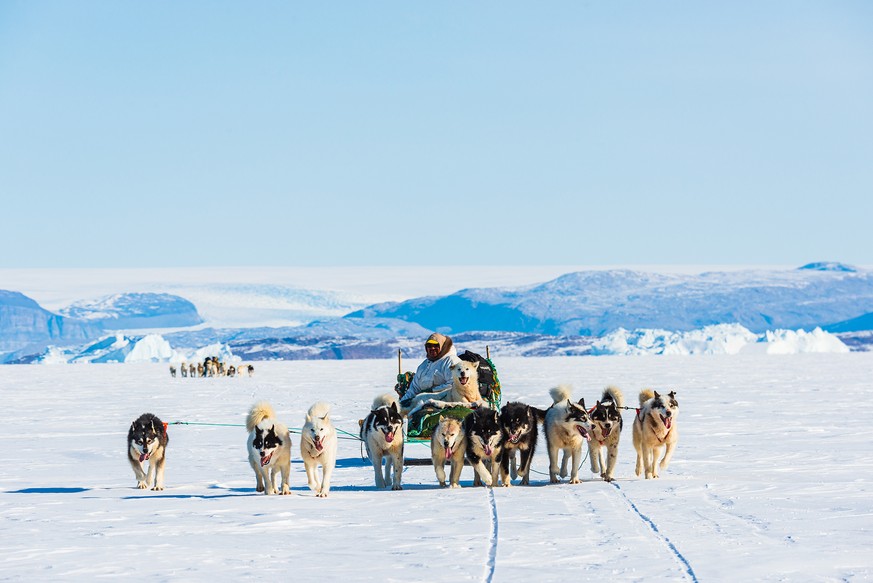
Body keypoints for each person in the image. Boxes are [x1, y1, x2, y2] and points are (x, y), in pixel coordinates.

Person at [399, 332, 461, 408]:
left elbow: (454, 384)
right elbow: (414, 388)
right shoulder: (423, 365)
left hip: (445, 404)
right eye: (429, 346)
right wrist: (401, 404)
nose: (432, 348)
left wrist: (432, 391)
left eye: (435, 345)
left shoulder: (451, 361)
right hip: (423, 403)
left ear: (442, 346)